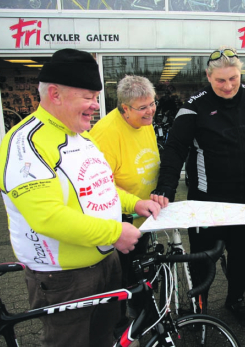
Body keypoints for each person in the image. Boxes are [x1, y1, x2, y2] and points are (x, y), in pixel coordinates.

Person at [0, 48, 161, 347]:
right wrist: (115, 232)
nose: (96, 106)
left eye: (96, 98)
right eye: (89, 97)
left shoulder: (81, 135)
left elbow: (101, 187)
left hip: (104, 262)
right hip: (63, 277)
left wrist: (134, 204)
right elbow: (47, 217)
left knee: (104, 338)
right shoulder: (25, 144)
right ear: (55, 94)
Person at [150, 46, 245, 326]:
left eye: (233, 78)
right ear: (208, 77)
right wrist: (165, 190)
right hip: (207, 203)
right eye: (220, 80)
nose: (228, 85)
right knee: (202, 260)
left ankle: (234, 299)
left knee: (241, 256)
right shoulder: (194, 106)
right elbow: (175, 150)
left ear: (240, 73)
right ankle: (200, 304)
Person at [90, 75, 160, 324]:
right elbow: (101, 186)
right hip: (121, 219)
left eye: (153, 103)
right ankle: (121, 326)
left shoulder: (145, 120)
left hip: (145, 214)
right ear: (124, 108)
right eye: (143, 107)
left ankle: (143, 314)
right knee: (121, 278)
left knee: (141, 270)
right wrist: (136, 203)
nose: (150, 111)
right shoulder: (105, 135)